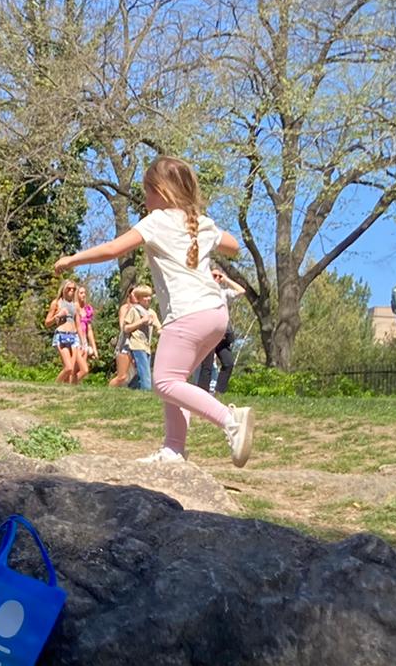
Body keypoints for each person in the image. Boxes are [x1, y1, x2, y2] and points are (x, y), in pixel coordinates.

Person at [53, 155, 255, 467]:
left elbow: (114, 249)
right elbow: (233, 246)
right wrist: (208, 236)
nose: (145, 199)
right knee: (178, 380)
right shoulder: (200, 223)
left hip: (187, 315)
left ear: (161, 191)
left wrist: (72, 260)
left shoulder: (157, 222)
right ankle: (174, 449)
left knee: (164, 382)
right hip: (215, 314)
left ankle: (230, 420)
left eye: (147, 192)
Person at [196, 269, 245, 395]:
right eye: (214, 275)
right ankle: (202, 394)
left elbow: (241, 291)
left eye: (219, 276)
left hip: (223, 334)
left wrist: (226, 279)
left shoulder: (224, 292)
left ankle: (219, 393)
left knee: (228, 363)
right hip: (209, 332)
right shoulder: (202, 292)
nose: (217, 278)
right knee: (207, 366)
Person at [45, 280, 88, 384]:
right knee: (68, 368)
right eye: (69, 288)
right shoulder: (56, 303)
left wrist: (83, 342)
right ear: (63, 289)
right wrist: (58, 315)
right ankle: (55, 386)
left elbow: (78, 324)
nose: (71, 291)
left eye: (73, 289)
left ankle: (68, 389)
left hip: (73, 337)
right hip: (61, 336)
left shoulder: (75, 305)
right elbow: (47, 323)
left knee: (73, 370)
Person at [122, 284, 161, 392]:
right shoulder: (134, 310)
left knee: (143, 372)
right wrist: (141, 321)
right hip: (136, 345)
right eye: (145, 296)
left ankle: (130, 388)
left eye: (149, 296)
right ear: (138, 298)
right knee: (146, 377)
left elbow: (159, 327)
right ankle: (146, 395)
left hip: (147, 345)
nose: (148, 299)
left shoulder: (151, 312)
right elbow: (126, 328)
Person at [108, 286, 136, 387]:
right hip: (126, 343)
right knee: (122, 376)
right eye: (134, 293)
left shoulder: (143, 309)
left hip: (138, 344)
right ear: (129, 294)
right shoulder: (124, 308)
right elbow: (122, 327)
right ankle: (108, 391)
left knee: (135, 374)